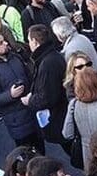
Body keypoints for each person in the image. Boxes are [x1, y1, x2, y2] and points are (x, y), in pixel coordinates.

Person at [0, 32, 40, 150]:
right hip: (16, 120)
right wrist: (10, 95)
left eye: (4, 40)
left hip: (32, 111)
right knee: (27, 152)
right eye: (1, 43)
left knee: (40, 147)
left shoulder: (15, 58)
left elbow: (29, 76)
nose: (6, 43)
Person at [23, 24, 70, 155]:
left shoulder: (47, 63)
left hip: (59, 117)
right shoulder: (50, 56)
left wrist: (29, 100)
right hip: (62, 114)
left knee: (73, 152)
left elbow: (48, 97)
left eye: (29, 40)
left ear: (35, 42)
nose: (28, 44)